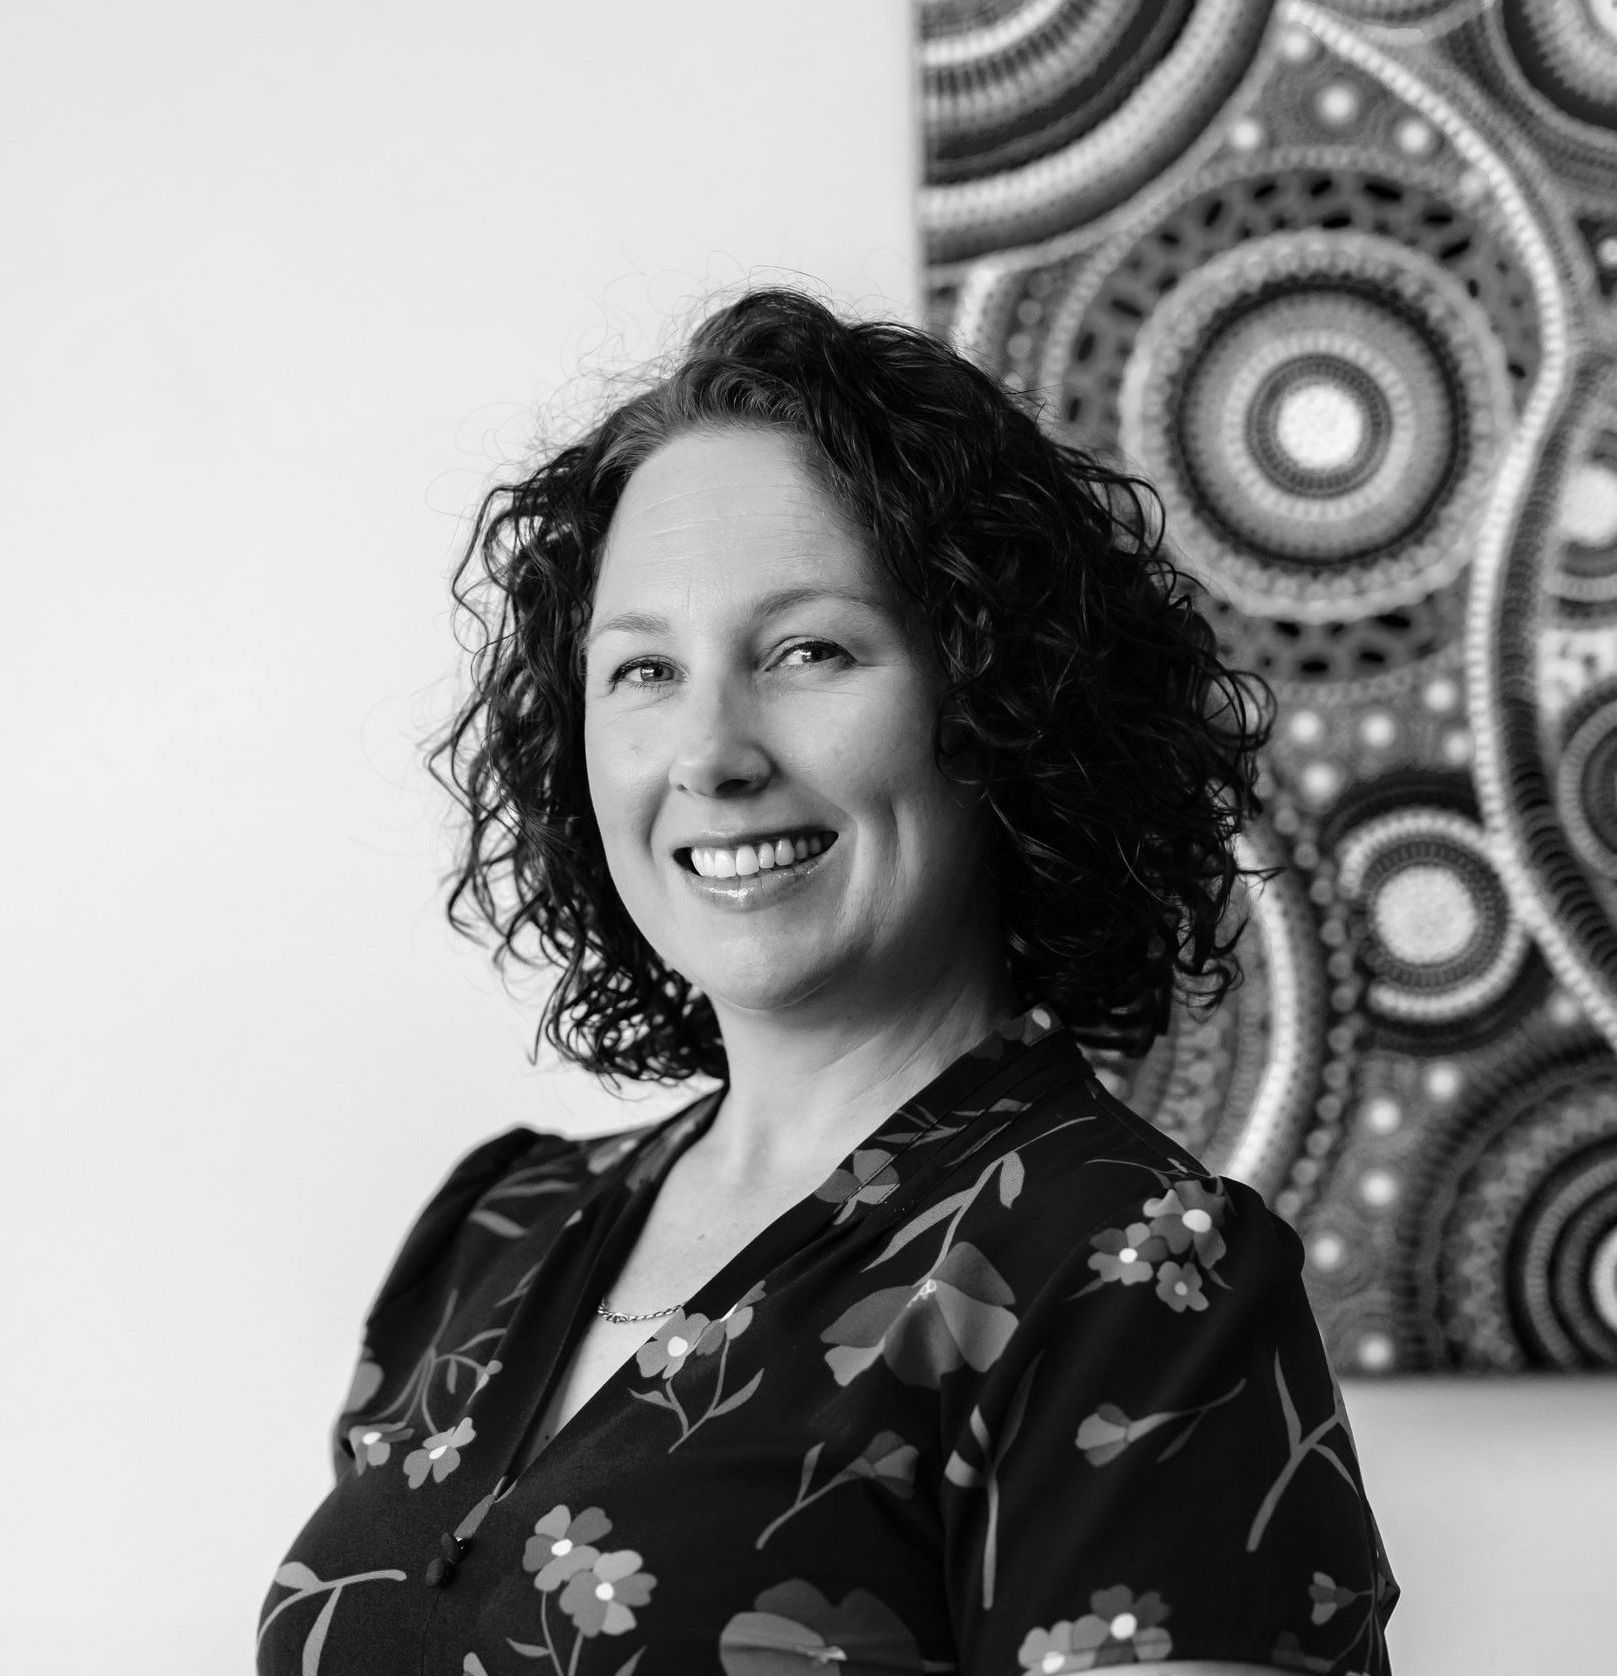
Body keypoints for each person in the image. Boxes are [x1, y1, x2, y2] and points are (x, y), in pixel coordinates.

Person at [259, 289, 1398, 1675]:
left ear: (994, 700)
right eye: (642, 670)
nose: (710, 751)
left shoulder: (1134, 1277)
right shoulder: (495, 1232)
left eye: (807, 651)